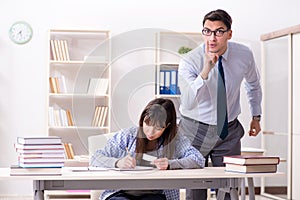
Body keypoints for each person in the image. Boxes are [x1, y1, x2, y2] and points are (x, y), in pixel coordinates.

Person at [177, 9, 262, 200]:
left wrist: (256, 117)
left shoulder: (244, 54)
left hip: (228, 129)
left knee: (229, 186)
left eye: (219, 31)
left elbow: (254, 85)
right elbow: (189, 102)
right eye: (207, 31)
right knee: (195, 187)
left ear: (229, 34)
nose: (212, 38)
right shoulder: (190, 61)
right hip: (194, 129)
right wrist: (206, 70)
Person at [90, 98, 205, 200]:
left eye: (158, 128)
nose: (150, 132)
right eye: (147, 123)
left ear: (168, 126)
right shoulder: (129, 135)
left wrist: (170, 164)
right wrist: (117, 162)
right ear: (142, 118)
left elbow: (198, 159)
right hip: (121, 193)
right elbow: (95, 158)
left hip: (154, 194)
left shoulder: (175, 140)